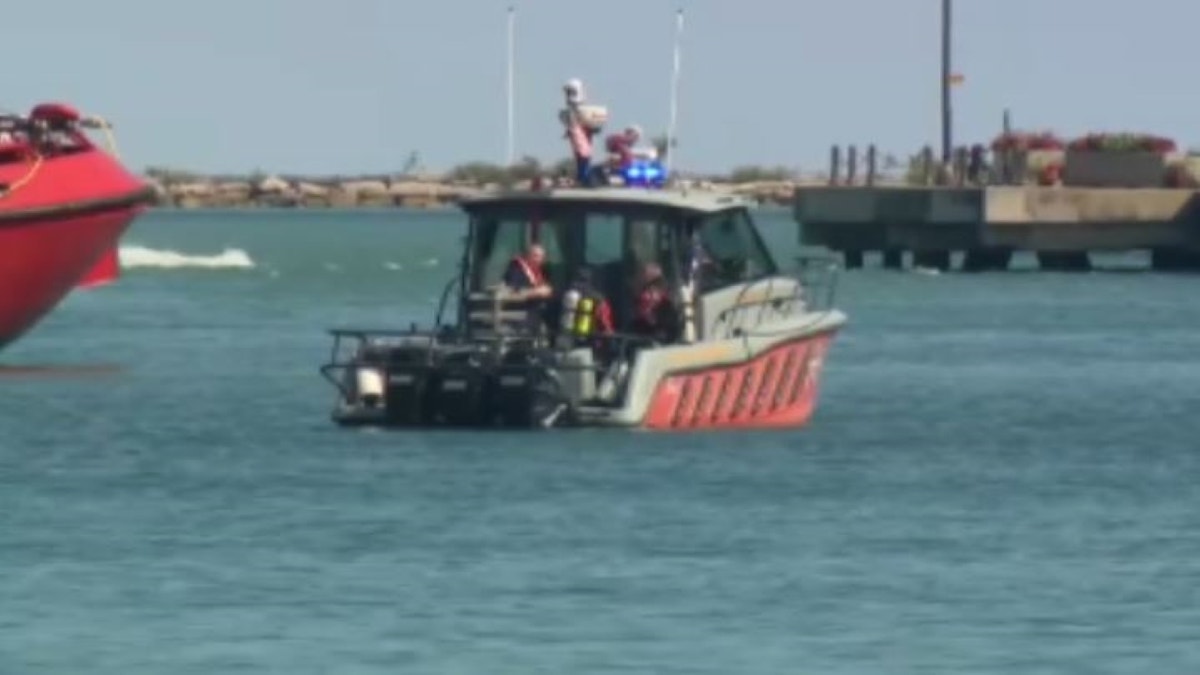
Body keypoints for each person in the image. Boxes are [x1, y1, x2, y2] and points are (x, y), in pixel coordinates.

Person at [630, 262, 678, 343]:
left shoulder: (669, 314)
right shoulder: (635, 325)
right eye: (644, 290)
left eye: (652, 288)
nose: (645, 295)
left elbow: (668, 340)